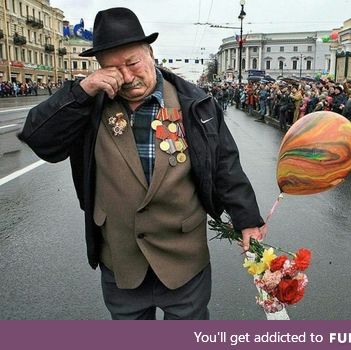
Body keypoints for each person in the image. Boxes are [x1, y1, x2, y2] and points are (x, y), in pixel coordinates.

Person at [18, 7, 265, 320]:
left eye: (132, 62)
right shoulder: (88, 105)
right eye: (112, 68)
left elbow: (225, 166)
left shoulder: (195, 102)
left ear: (150, 53)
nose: (127, 75)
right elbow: (39, 139)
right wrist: (82, 91)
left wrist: (247, 220)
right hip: (121, 259)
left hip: (184, 259)